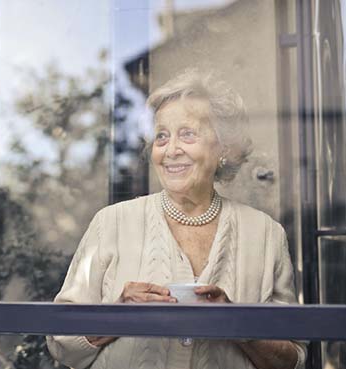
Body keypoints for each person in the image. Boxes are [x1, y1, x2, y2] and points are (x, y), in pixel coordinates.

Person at [46, 69, 306, 369]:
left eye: (187, 134)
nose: (171, 150)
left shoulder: (265, 234)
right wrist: (118, 315)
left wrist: (236, 323)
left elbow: (293, 360)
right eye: (161, 136)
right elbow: (60, 342)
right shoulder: (111, 223)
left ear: (223, 147)